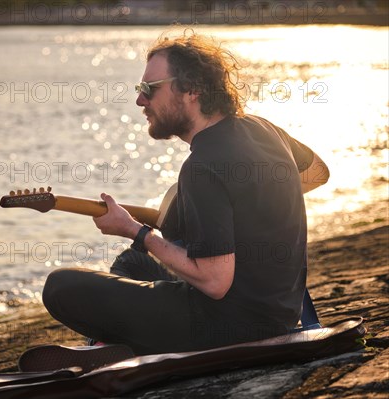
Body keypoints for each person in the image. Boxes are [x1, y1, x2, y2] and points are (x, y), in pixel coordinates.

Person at [42, 31, 330, 356]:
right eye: (140, 89)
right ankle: (114, 343)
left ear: (192, 90)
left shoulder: (202, 166)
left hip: (229, 327)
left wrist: (135, 231)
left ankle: (113, 346)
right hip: (281, 312)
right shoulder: (263, 128)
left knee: (61, 286)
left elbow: (215, 282)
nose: (140, 100)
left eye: (150, 89)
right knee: (133, 262)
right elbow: (318, 172)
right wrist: (254, 204)